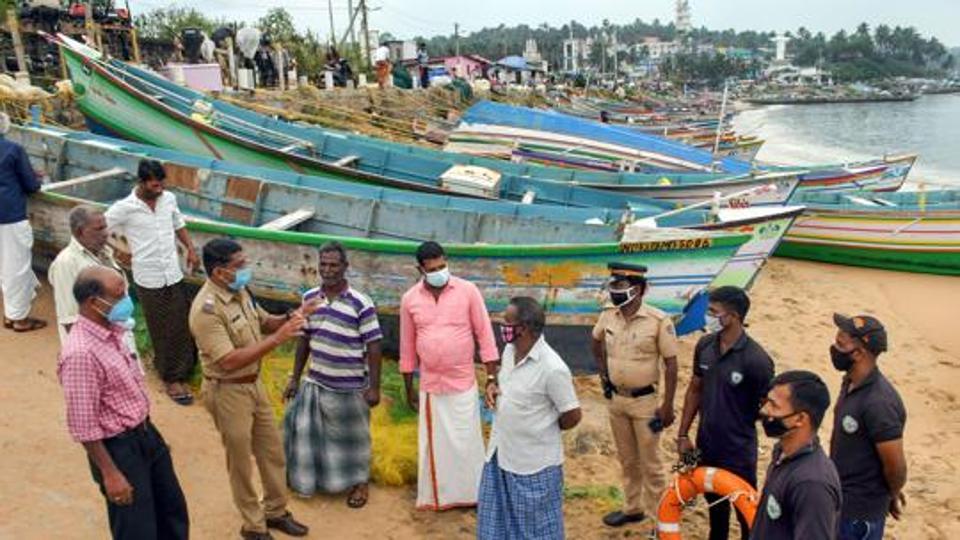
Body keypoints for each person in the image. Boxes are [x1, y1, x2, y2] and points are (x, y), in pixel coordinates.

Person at [189, 238, 311, 540]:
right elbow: (228, 361)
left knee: (272, 451)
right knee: (240, 462)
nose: (246, 269)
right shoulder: (205, 311)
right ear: (219, 272)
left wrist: (293, 315)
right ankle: (253, 526)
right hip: (227, 390)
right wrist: (279, 339)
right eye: (239, 265)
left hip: (253, 385)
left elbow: (265, 321)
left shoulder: (239, 290)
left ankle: (275, 511)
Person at [58, 265, 189, 539]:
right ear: (95, 303)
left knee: (172, 512)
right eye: (120, 295)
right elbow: (83, 426)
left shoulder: (114, 332)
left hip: (146, 433)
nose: (127, 300)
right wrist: (111, 473)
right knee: (136, 528)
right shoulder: (81, 353)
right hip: (118, 448)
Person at [399, 241, 499, 510]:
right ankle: (439, 498)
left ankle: (471, 495)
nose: (440, 272)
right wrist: (408, 388)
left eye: (443, 266)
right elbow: (407, 348)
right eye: (433, 269)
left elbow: (485, 336)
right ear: (420, 269)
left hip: (462, 382)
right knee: (436, 446)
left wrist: (491, 378)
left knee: (466, 442)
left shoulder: (468, 291)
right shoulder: (410, 299)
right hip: (431, 385)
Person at [283, 241, 383, 508]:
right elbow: (303, 341)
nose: (327, 270)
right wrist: (295, 377)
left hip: (350, 385)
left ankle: (360, 483)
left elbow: (374, 346)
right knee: (311, 433)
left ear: (345, 267)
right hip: (316, 381)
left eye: (333, 265)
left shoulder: (361, 303)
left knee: (354, 439)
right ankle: (316, 480)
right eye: (323, 264)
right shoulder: (309, 299)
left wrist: (374, 388)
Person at [477, 297, 582, 540]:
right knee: (498, 526)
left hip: (533, 466)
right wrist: (494, 386)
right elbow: (507, 382)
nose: (502, 325)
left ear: (522, 328)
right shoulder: (510, 351)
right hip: (500, 454)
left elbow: (573, 415)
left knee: (536, 531)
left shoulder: (553, 368)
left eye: (507, 321)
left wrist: (542, 428)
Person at [676, 286, 774, 540]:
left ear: (733, 316)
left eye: (712, 311)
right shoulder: (705, 345)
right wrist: (683, 434)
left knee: (746, 513)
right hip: (706, 445)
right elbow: (695, 389)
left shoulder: (757, 360)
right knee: (716, 513)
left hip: (739, 451)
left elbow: (768, 407)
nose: (707, 316)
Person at [105, 159, 199, 406]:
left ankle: (185, 368)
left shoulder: (168, 199)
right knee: (161, 326)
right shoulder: (125, 207)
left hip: (173, 271)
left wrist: (190, 248)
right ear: (142, 182)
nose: (159, 189)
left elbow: (178, 223)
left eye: (161, 184)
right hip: (148, 276)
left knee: (180, 320)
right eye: (154, 185)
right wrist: (117, 249)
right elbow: (101, 228)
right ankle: (171, 377)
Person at [592, 263, 679, 528]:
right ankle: (633, 508)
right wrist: (603, 375)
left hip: (646, 404)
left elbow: (672, 364)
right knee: (627, 459)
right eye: (614, 286)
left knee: (651, 463)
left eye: (621, 286)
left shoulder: (658, 321)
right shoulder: (609, 315)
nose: (616, 292)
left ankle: (660, 522)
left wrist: (667, 405)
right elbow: (596, 342)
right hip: (616, 400)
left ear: (639, 289)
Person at [829, 314, 907, 540]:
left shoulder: (879, 403)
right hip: (840, 501)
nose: (834, 348)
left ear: (859, 353)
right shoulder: (850, 382)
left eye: (841, 344)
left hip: (859, 514)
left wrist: (891, 494)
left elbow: (896, 466)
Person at [752, 370, 842, 540]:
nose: (764, 410)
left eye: (774, 405)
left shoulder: (812, 485)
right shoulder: (782, 452)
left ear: (800, 418)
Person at [49, 206, 125, 344]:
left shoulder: (105, 253)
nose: (105, 233)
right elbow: (69, 318)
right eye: (99, 229)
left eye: (105, 227)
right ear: (79, 232)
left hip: (116, 335)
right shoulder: (67, 263)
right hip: (93, 344)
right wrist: (91, 350)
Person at [0, 112, 46, 333]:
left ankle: (12, 314)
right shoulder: (12, 149)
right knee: (16, 268)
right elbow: (31, 185)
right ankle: (18, 319)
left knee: (4, 266)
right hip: (9, 215)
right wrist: (36, 177)